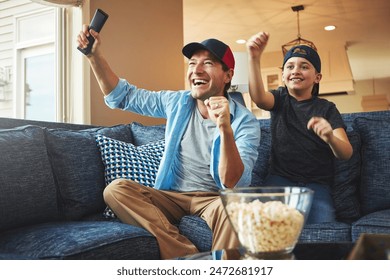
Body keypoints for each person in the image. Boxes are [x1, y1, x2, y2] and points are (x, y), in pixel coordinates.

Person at [77, 26, 260, 259]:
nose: (197, 70)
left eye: (208, 64)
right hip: (171, 195)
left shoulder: (245, 121)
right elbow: (123, 96)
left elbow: (233, 183)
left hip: (214, 199)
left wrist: (224, 127)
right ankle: (186, 257)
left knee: (234, 209)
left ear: (228, 74)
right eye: (193, 63)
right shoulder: (177, 102)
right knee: (116, 190)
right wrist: (94, 56)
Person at [246, 32, 353, 224]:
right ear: (283, 76)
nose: (296, 70)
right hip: (280, 180)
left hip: (317, 185)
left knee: (323, 227)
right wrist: (254, 58)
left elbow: (345, 152)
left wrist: (329, 136)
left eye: (304, 66)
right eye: (290, 66)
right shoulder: (280, 99)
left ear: (317, 77)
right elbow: (258, 98)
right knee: (263, 222)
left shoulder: (327, 108)